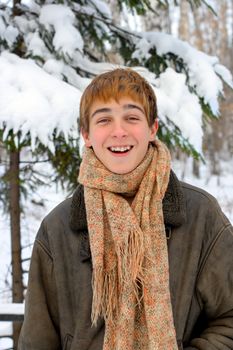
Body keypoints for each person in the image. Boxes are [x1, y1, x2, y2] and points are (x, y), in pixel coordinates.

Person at [18, 68, 233, 350]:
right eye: (104, 119)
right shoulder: (57, 227)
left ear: (152, 128)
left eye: (131, 118)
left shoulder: (200, 215)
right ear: (86, 134)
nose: (119, 131)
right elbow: (37, 341)